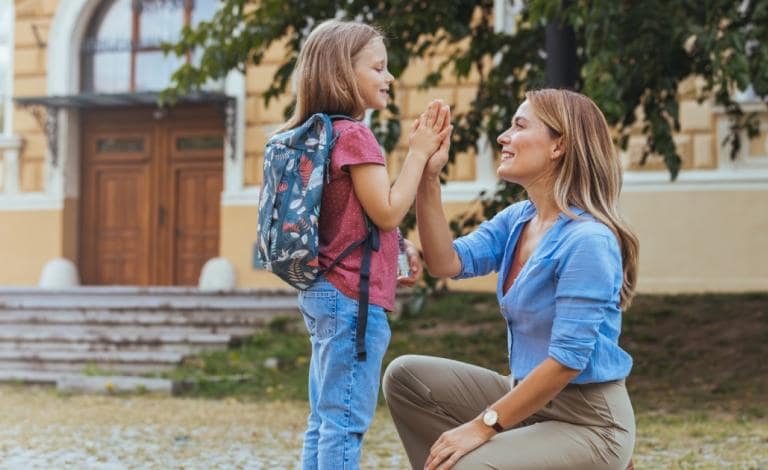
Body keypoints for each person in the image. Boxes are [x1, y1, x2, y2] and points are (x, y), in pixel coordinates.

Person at [383, 88, 639, 470]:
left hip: (588, 421)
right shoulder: (520, 218)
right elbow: (446, 262)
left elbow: (567, 361)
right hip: (526, 396)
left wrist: (482, 426)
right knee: (406, 377)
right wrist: (428, 177)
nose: (503, 137)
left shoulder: (588, 240)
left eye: (519, 125)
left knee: (468, 465)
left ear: (559, 146)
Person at [281, 20, 452, 470]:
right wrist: (418, 152)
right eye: (377, 68)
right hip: (351, 300)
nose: (388, 77)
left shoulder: (319, 132)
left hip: (321, 291)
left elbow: (353, 218)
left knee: (323, 418)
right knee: (344, 421)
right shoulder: (354, 135)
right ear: (342, 73)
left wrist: (399, 247)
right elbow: (389, 211)